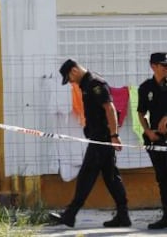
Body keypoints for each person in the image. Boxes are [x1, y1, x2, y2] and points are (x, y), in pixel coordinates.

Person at [49, 59, 131, 228]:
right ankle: (123, 215)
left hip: (101, 138)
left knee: (87, 174)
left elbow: (109, 108)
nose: (71, 82)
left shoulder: (95, 83)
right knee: (111, 177)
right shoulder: (86, 84)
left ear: (74, 71)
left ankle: (70, 214)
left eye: (69, 78)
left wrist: (114, 135)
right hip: (97, 137)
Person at [137, 52, 167, 229]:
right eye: (163, 65)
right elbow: (141, 112)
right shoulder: (145, 87)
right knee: (162, 178)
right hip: (156, 139)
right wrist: (147, 130)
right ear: (153, 66)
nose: (166, 68)